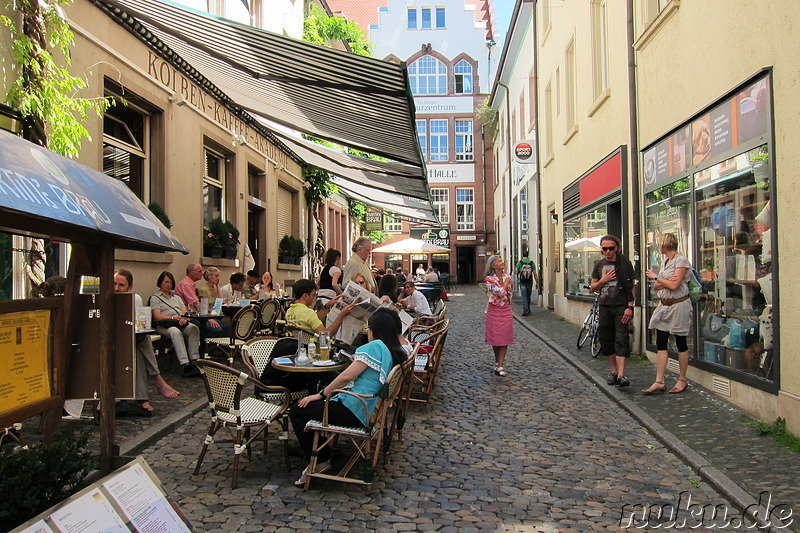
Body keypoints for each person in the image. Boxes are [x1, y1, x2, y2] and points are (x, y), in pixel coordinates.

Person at [289, 307, 408, 486]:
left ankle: (321, 459)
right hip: (366, 409)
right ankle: (323, 449)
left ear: (374, 331)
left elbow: (345, 377)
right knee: (311, 405)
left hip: (353, 409)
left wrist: (320, 395)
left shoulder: (375, 346)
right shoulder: (391, 350)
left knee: (297, 409)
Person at [114, 269, 180, 412]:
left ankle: (143, 397)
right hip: (112, 340)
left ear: (129, 287)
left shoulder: (135, 298)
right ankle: (157, 380)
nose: (116, 289)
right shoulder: (107, 298)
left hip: (129, 339)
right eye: (114, 284)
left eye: (121, 285)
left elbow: (137, 323)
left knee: (138, 348)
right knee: (141, 342)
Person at [643, 233, 692, 394]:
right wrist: (663, 281)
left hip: (678, 305)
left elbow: (674, 285)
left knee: (680, 342)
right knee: (661, 342)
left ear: (664, 245)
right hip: (664, 306)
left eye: (660, 243)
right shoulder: (666, 261)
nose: (658, 246)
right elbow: (657, 286)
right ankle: (659, 380)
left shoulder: (681, 260)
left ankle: (682, 379)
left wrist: (657, 277)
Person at [590, 234, 636, 388]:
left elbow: (631, 286)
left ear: (617, 248)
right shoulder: (599, 265)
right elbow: (593, 287)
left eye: (611, 248)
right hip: (604, 306)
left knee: (622, 338)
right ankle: (613, 371)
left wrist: (630, 306)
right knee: (606, 338)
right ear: (601, 250)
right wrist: (603, 280)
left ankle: (622, 375)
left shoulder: (624, 263)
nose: (608, 251)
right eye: (605, 249)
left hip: (621, 306)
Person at [149, 271, 202, 377]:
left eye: (170, 282)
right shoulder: (155, 298)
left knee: (193, 328)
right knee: (175, 332)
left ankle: (195, 360)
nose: (168, 285)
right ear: (160, 283)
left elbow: (184, 311)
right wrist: (174, 318)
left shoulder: (177, 298)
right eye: (166, 282)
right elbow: (157, 316)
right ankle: (185, 363)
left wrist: (184, 318)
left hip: (180, 322)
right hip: (164, 325)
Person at [285, 279, 354, 336]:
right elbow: (325, 335)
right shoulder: (309, 313)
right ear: (305, 296)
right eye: (314, 295)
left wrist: (327, 306)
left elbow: (313, 320)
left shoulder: (289, 311)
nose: (315, 297)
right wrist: (341, 316)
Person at [483, 255, 514, 376]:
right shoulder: (489, 279)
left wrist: (506, 285)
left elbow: (509, 293)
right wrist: (506, 283)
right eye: (499, 261)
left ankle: (500, 365)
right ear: (493, 265)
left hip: (506, 309)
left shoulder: (507, 276)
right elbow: (500, 292)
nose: (502, 262)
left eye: (502, 260)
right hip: (494, 310)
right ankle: (497, 362)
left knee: (504, 337)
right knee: (496, 339)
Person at [515, 250, 540, 316]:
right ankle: (528, 308)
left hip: (522, 282)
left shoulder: (519, 263)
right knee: (528, 295)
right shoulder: (531, 263)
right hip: (529, 281)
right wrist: (537, 283)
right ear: (528, 255)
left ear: (522, 255)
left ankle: (525, 310)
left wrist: (517, 272)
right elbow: (535, 274)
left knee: (524, 296)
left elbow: (517, 272)